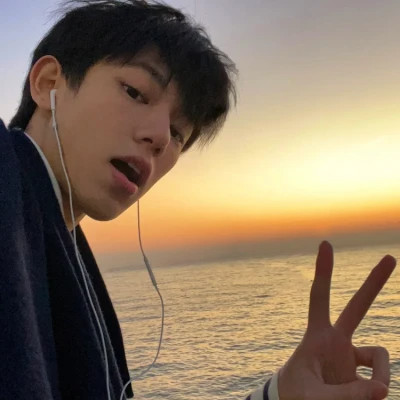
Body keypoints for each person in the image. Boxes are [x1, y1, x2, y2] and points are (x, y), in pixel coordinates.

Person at [0, 1, 396, 399]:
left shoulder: (61, 246)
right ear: (49, 83)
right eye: (135, 92)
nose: (160, 138)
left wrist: (280, 394)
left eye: (178, 133)